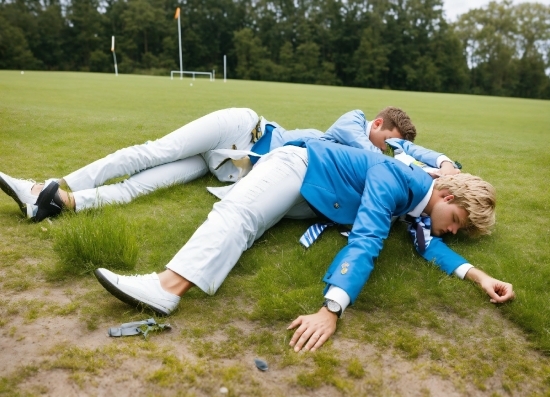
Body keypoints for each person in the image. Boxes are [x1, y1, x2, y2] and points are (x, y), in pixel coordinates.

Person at [93, 137, 514, 352]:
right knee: (240, 216)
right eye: (457, 222)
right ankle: (166, 289)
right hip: (298, 165)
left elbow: (427, 244)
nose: (453, 231)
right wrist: (332, 308)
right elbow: (368, 238)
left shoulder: (421, 204)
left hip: (311, 196)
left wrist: (479, 276)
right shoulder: (398, 180)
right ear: (446, 197)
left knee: (248, 221)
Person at [0, 107, 414, 222]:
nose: (388, 154)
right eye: (390, 142)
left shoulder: (371, 153)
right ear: (379, 125)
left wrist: (439, 162)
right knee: (150, 152)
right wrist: (387, 156)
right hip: (237, 128)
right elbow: (362, 142)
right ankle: (45, 186)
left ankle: (60, 202)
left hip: (227, 168)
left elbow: (412, 160)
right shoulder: (355, 126)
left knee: (142, 185)